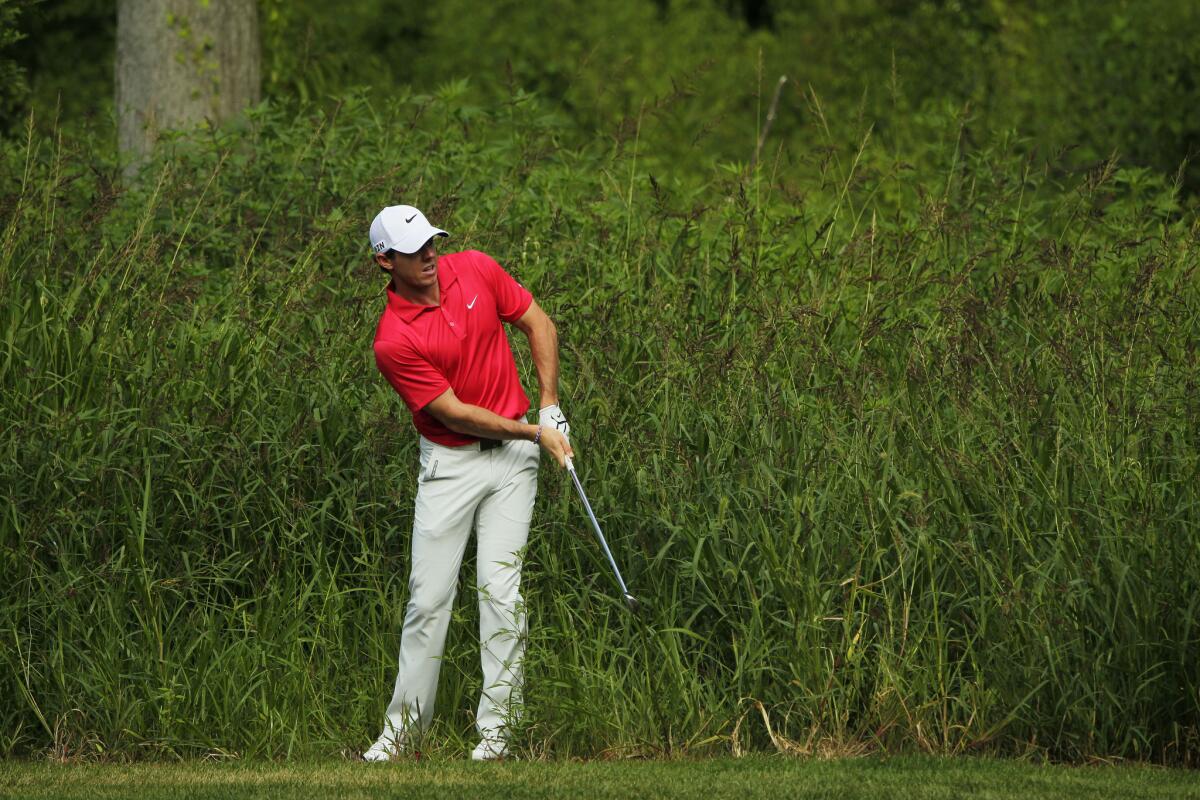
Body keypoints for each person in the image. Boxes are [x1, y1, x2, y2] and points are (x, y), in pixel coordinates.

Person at [363, 204, 573, 762]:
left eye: (432, 242)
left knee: (500, 592)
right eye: (414, 250)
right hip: (450, 466)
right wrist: (535, 431)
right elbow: (453, 413)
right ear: (386, 262)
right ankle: (403, 734)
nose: (429, 254)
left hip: (513, 462)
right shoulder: (393, 341)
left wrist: (548, 407)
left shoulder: (476, 268)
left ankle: (499, 735)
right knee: (428, 600)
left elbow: (539, 322)